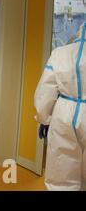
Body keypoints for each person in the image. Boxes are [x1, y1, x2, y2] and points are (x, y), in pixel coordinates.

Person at [35, 22, 86, 191]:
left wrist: (43, 118)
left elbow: (45, 92)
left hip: (64, 114)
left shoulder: (59, 54)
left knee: (61, 172)